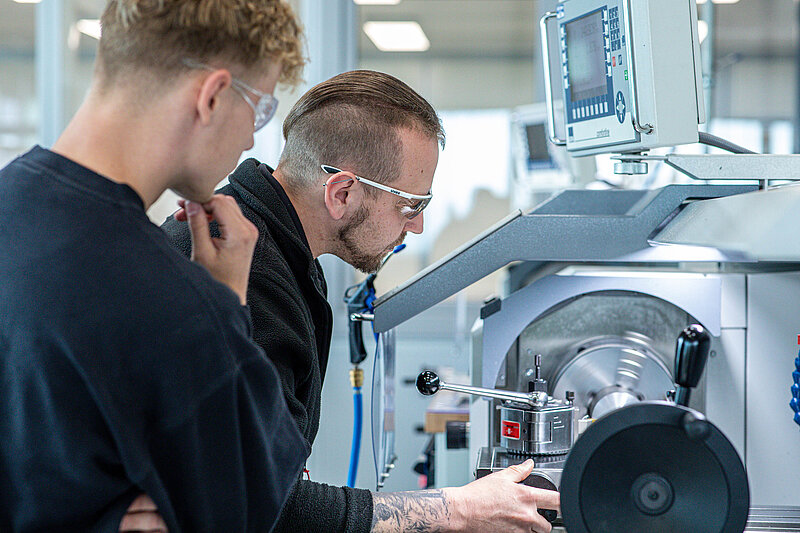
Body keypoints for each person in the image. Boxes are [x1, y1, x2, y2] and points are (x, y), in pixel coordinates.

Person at [159, 70, 560, 533]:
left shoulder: (264, 244)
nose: (417, 228)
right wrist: (461, 510)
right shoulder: (244, 272)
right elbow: (270, 506)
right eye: (411, 206)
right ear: (342, 192)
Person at [0, 1, 308, 531]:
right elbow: (251, 504)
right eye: (260, 111)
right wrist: (226, 304)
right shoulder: (171, 305)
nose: (253, 139)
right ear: (211, 96)